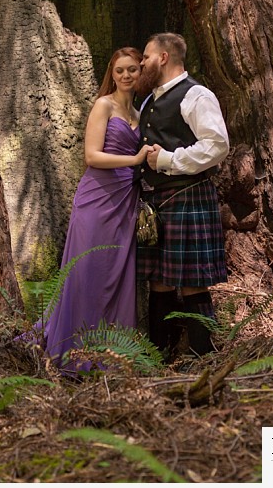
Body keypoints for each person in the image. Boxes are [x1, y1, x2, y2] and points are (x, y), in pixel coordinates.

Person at [36, 47, 151, 373]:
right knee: (88, 272)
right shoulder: (104, 105)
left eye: (132, 70)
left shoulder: (141, 114)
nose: (127, 76)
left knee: (117, 274)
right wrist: (134, 159)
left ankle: (112, 353)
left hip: (125, 201)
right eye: (120, 71)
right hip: (97, 200)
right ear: (111, 75)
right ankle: (72, 350)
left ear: (140, 72)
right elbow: (91, 156)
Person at [135, 32, 229, 358]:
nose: (141, 63)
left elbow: (217, 146)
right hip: (156, 202)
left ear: (163, 57)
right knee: (158, 281)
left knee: (192, 282)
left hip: (188, 196)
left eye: (146, 56)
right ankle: (159, 359)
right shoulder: (150, 100)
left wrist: (169, 161)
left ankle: (204, 356)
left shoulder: (196, 95)